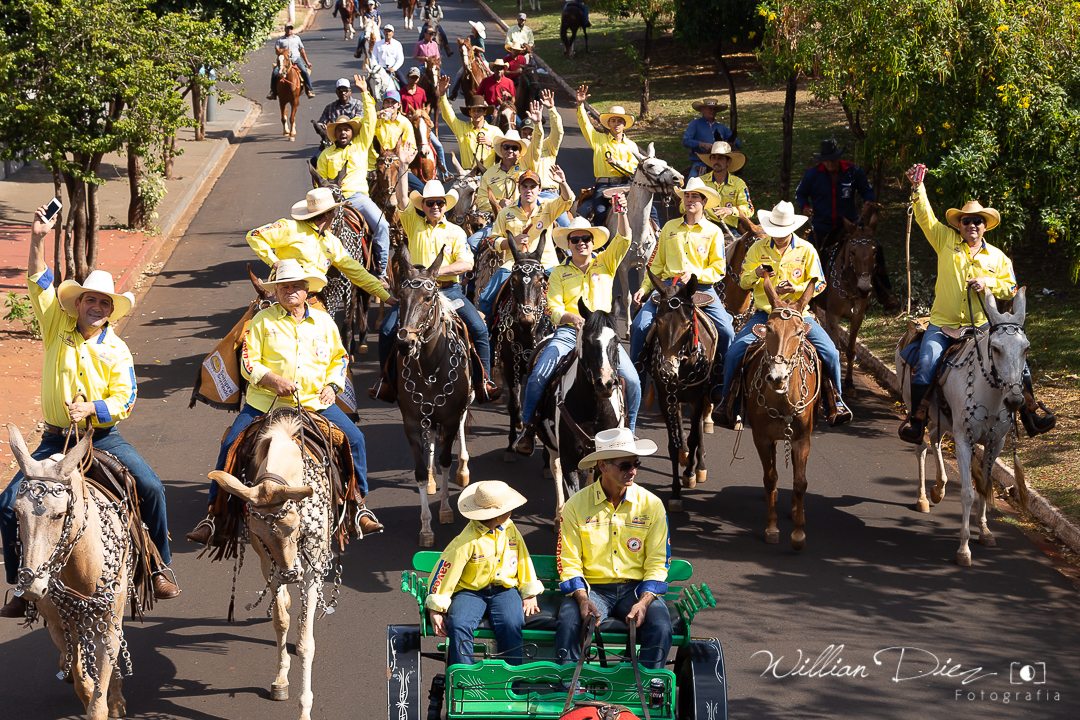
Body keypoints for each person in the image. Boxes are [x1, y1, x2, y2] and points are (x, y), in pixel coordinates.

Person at [1, 205, 180, 618]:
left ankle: (159, 568)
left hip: (102, 438)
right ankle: (20, 586)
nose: (96, 306)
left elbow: (126, 399)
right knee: (8, 504)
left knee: (152, 488)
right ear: (78, 303)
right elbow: (37, 281)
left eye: (104, 302)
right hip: (54, 440)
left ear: (110, 310)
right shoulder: (55, 326)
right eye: (90, 300)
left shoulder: (117, 350)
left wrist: (92, 408)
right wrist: (38, 238)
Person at [186, 260, 385, 546]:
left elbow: (339, 358)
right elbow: (248, 362)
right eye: (283, 286)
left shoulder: (324, 322)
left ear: (306, 290)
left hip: (315, 403)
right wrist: (271, 379)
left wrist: (332, 386)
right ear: (276, 291)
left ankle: (358, 505)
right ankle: (214, 516)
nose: (289, 290)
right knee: (231, 444)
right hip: (266, 403)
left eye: (295, 286)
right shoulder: (261, 321)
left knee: (355, 440)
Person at [896, 166, 1054, 442]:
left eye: (977, 221)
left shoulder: (998, 257)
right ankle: (917, 420)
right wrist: (918, 187)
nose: (972, 225)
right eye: (966, 220)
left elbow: (1011, 287)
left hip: (982, 327)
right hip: (942, 325)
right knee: (926, 363)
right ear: (959, 225)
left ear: (985, 226)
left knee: (1018, 362)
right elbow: (925, 217)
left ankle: (1031, 415)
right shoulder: (945, 240)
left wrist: (987, 282)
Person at [714, 201, 852, 428]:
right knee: (734, 353)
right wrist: (756, 273)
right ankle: (729, 405)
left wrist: (797, 289)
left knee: (831, 353)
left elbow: (820, 284)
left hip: (800, 315)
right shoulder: (757, 248)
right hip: (766, 316)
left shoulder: (807, 249)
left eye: (783, 232)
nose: (778, 236)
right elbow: (743, 281)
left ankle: (835, 403)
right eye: (774, 231)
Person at [513, 212, 642, 455]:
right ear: (568, 244)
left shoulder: (606, 262)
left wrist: (622, 212)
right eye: (575, 239)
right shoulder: (558, 273)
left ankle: (630, 431)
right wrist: (570, 317)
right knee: (538, 376)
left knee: (633, 381)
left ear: (593, 242)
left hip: (602, 337)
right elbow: (553, 308)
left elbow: (625, 238)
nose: (581, 243)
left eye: (586, 239)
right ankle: (528, 428)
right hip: (568, 333)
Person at [384, 150, 501, 403]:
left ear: (446, 206)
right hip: (416, 294)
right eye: (430, 203)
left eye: (439, 202)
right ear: (423, 207)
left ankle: (484, 382)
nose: (435, 206)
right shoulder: (413, 224)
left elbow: (466, 263)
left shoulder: (456, 232)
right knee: (386, 330)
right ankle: (387, 383)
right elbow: (402, 199)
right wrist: (403, 166)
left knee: (479, 329)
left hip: (449, 291)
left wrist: (434, 273)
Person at [554, 428, 671, 670]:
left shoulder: (652, 505)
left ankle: (646, 687)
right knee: (569, 622)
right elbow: (569, 562)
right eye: (626, 465)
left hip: (635, 589)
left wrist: (644, 602)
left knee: (661, 626)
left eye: (636, 463)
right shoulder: (575, 506)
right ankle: (569, 687)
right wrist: (583, 600)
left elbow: (658, 562)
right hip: (592, 589)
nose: (633, 471)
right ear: (602, 466)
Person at [425, 481, 542, 667]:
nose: (512, 511)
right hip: (470, 592)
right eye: (509, 508)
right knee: (459, 624)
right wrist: (436, 608)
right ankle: (465, 676)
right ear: (498, 516)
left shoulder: (510, 528)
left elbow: (523, 558)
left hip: (504, 590)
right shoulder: (467, 540)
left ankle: (511, 679)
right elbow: (447, 571)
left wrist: (529, 592)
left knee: (512, 624)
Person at [629, 177, 735, 376]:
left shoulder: (714, 232)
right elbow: (657, 264)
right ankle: (636, 377)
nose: (689, 200)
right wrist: (644, 288)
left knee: (727, 332)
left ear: (704, 201)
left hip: (701, 288)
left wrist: (695, 274)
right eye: (687, 196)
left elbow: (719, 269)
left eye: (695, 196)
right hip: (668, 287)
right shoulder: (669, 228)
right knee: (639, 326)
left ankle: (719, 379)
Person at [247, 187, 393, 310]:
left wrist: (385, 297)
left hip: (312, 301)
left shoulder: (332, 243)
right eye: (334, 211)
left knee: (330, 333)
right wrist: (274, 262)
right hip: (282, 297)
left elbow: (358, 273)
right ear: (328, 214)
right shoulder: (290, 228)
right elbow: (254, 235)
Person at [795, 138, 898, 309]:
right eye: (826, 160)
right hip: (822, 225)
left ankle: (885, 291)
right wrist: (805, 207)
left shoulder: (853, 171)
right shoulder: (812, 173)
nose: (830, 163)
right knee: (809, 254)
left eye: (833, 159)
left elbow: (867, 190)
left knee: (875, 250)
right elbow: (800, 194)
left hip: (849, 225)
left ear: (839, 157)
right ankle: (807, 297)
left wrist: (868, 203)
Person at [478, 166, 574, 328]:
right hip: (513, 264)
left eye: (532, 187)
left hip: (546, 263)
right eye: (524, 186)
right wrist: (513, 241)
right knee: (486, 299)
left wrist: (563, 183)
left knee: (570, 295)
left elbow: (567, 201)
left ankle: (574, 335)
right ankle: (485, 338)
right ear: (519, 189)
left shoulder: (548, 207)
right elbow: (493, 241)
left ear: (539, 190)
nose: (528, 190)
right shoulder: (505, 213)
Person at [316, 86, 393, 280]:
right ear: (335, 133)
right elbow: (320, 182)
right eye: (340, 130)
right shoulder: (326, 155)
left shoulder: (361, 145)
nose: (343, 133)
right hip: (332, 202)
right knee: (311, 233)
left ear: (352, 133)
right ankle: (312, 274)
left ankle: (381, 272)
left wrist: (365, 93)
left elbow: (370, 120)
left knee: (383, 226)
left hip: (358, 198)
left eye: (347, 129)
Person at [573, 85, 656, 227]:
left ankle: (657, 233)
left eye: (620, 121)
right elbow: (585, 125)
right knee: (600, 212)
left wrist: (618, 163)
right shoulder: (598, 139)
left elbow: (634, 168)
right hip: (603, 185)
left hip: (626, 184)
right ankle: (601, 239)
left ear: (624, 124)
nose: (616, 124)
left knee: (649, 209)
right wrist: (580, 105)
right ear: (608, 123)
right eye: (613, 121)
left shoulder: (631, 145)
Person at [468, 128, 526, 252]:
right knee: (471, 243)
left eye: (514, 148)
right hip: (498, 224)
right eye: (506, 147)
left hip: (524, 222)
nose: (510, 150)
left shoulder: (526, 169)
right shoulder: (489, 174)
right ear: (501, 149)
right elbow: (481, 201)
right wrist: (499, 203)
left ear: (520, 151)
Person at [522, 92, 571, 228]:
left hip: (549, 195)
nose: (528, 137)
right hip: (527, 195)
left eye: (531, 133)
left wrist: (551, 109)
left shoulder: (548, 145)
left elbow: (558, 132)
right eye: (525, 134)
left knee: (565, 226)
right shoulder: (519, 153)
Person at [437, 74, 500, 170]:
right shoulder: (462, 128)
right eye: (473, 111)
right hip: (468, 174)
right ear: (469, 113)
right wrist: (442, 95)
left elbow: (506, 150)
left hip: (489, 174)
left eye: (479, 110)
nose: (476, 113)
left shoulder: (495, 131)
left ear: (485, 112)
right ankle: (454, 91)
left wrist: (492, 144)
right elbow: (448, 116)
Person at [370, 88, 424, 194]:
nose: (390, 105)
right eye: (387, 102)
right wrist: (374, 117)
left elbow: (411, 146)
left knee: (422, 190)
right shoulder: (375, 118)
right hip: (374, 165)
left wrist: (403, 157)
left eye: (393, 102)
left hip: (396, 166)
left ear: (399, 105)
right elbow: (360, 125)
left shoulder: (405, 123)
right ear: (383, 104)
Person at [693, 141, 753, 235]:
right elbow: (683, 205)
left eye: (720, 158)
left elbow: (749, 209)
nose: (716, 161)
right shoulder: (699, 182)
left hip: (729, 229)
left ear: (728, 162)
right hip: (702, 227)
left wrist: (731, 210)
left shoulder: (739, 184)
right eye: (713, 158)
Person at [400, 67, 447, 180]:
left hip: (421, 124)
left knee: (439, 146)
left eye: (416, 78)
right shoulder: (401, 93)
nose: (414, 80)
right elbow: (401, 111)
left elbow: (424, 108)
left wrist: (427, 120)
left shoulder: (421, 91)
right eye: (412, 77)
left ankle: (444, 172)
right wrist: (409, 115)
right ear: (407, 77)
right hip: (408, 124)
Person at [682, 98, 738, 178]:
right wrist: (701, 144)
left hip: (720, 163)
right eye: (710, 109)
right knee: (692, 181)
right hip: (701, 162)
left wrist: (727, 144)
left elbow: (737, 142)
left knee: (733, 180)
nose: (712, 111)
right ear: (703, 110)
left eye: (714, 109)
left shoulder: (722, 127)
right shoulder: (695, 124)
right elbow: (686, 141)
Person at [269, 24, 315, 100]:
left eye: (291, 28)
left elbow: (302, 50)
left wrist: (307, 62)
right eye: (288, 28)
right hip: (284, 62)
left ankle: (309, 90)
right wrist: (281, 52)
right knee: (275, 73)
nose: (289, 30)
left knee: (304, 71)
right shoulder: (280, 40)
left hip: (296, 60)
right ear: (285, 29)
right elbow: (277, 52)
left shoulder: (297, 38)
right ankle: (273, 92)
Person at [372, 23, 406, 89]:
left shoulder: (397, 44)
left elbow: (400, 59)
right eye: (386, 31)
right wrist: (377, 67)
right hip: (380, 69)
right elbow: (374, 57)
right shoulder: (378, 44)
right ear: (384, 32)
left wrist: (394, 68)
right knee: (368, 83)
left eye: (389, 31)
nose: (388, 33)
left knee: (404, 84)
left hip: (393, 69)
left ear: (392, 33)